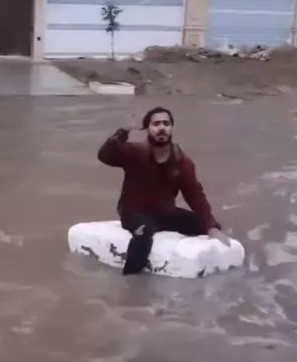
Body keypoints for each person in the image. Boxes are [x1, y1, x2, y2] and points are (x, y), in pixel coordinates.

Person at [98, 106, 230, 275]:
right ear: (147, 129)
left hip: (165, 214)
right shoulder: (134, 153)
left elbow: (195, 195)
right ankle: (130, 281)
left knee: (205, 223)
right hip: (133, 213)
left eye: (166, 124)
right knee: (144, 232)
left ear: (171, 128)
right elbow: (104, 156)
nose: (161, 127)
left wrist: (211, 227)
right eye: (156, 124)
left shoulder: (182, 162)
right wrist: (124, 131)